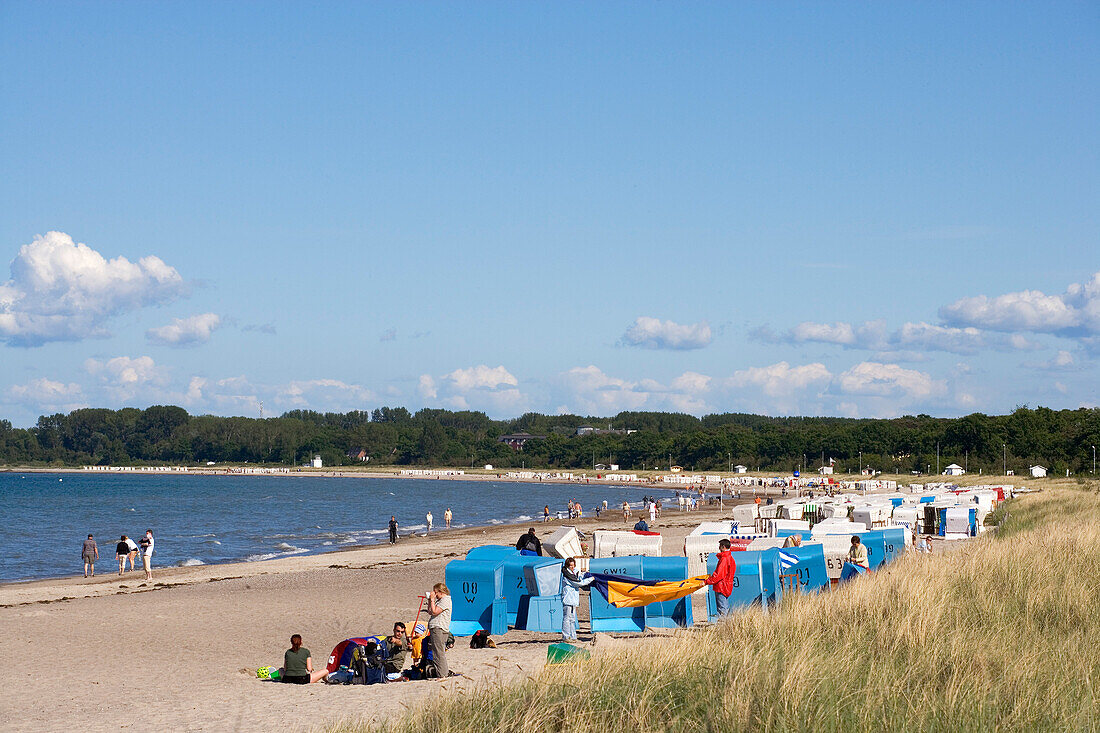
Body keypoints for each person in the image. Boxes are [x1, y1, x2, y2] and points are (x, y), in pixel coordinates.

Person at [560, 558, 593, 641]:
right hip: (568, 599)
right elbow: (578, 583)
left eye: (573, 565)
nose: (572, 567)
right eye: (570, 565)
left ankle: (573, 636)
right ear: (567, 566)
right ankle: (566, 636)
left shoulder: (573, 573)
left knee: (572, 619)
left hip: (573, 599)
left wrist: (585, 573)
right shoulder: (567, 575)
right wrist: (590, 579)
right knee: (567, 618)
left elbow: (579, 577)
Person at [705, 539, 736, 618]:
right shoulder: (730, 558)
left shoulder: (724, 559)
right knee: (725, 606)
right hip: (727, 585)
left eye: (720, 546)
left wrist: (706, 582)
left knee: (722, 607)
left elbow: (719, 574)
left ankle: (722, 625)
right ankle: (726, 624)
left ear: (723, 547)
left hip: (721, 586)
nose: (719, 548)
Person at [426, 583, 451, 678]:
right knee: (436, 651)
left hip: (439, 628)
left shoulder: (445, 600)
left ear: (441, 592)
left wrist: (432, 599)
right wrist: (430, 600)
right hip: (436, 628)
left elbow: (435, 611)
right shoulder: (440, 601)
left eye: (435, 592)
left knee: (438, 652)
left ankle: (442, 674)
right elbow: (430, 611)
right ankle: (442, 673)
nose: (435, 594)